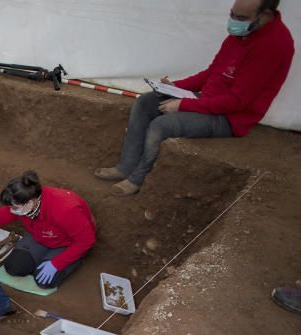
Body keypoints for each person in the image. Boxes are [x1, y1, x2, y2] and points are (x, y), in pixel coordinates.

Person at [96, 0, 294, 196]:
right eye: (232, 14)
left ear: (266, 15)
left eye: (240, 17)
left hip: (230, 117)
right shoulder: (244, 32)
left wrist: (184, 104)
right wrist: (175, 87)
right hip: (208, 99)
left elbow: (237, 101)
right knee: (145, 102)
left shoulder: (272, 46)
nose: (233, 21)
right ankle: (126, 166)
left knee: (162, 125)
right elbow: (211, 73)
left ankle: (137, 179)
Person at [0, 171, 96, 289]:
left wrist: (56, 264)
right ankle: (43, 258)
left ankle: (73, 259)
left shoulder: (65, 210)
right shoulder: (23, 200)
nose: (11, 211)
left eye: (14, 208)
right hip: (40, 236)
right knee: (14, 267)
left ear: (30, 203)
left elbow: (87, 240)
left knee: (44, 281)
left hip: (67, 243)